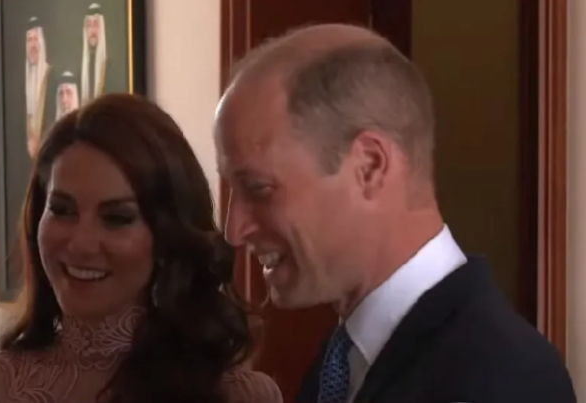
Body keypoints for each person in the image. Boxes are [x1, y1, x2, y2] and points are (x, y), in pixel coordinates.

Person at [214, 23, 576, 403]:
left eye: (258, 189)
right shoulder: (342, 364)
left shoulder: (502, 378)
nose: (234, 229)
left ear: (370, 166)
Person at [0, 94, 283, 403]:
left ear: (168, 236)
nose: (81, 243)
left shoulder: (236, 394)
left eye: (116, 218)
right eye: (62, 210)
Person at [25, 16, 52, 158]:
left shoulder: (51, 76)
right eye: (29, 40)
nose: (33, 45)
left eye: (36, 39)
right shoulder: (23, 80)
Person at [80, 2, 107, 104]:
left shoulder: (110, 67)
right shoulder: (80, 69)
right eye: (89, 25)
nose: (92, 31)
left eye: (95, 25)